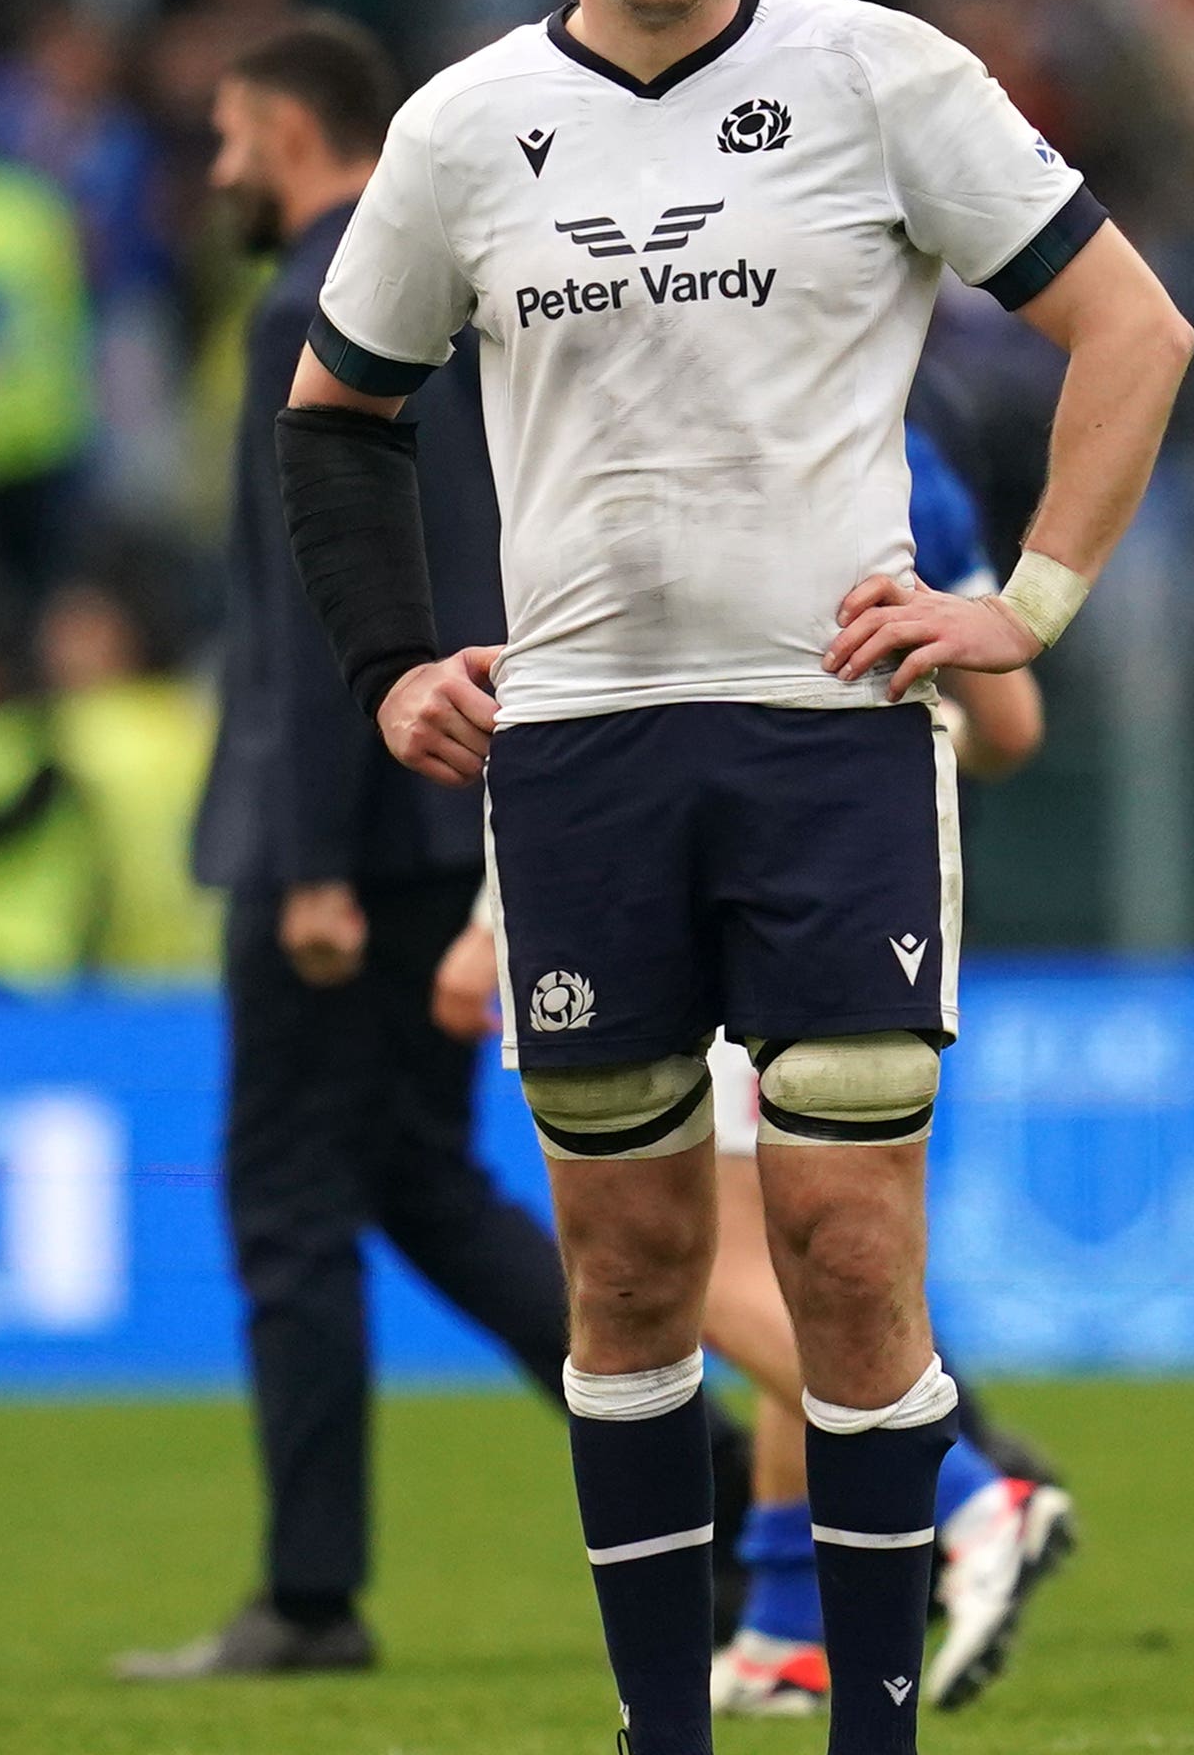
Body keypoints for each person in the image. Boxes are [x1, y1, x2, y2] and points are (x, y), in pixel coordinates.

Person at [275, 0, 1194, 1755]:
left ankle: (871, 1726)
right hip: (582, 747)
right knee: (625, 1267)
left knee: (853, 1252)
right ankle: (663, 1726)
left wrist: (1019, 606)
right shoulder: (464, 127)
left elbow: (1135, 325)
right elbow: (338, 415)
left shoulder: (881, 78)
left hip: (829, 739)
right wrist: (391, 666)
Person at [435, 421, 1074, 1722]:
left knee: (698, 1259)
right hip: (861, 864)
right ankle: (791, 1617)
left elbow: (581, 679)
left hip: (705, 860)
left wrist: (493, 918)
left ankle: (968, 1486)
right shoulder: (900, 445)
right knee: (818, 1246)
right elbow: (1007, 723)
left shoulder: (638, 417)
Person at [113, 13, 587, 1680]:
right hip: (447, 808)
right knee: (425, 1184)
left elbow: (312, 605)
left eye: (233, 135)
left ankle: (310, 1596)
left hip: (336, 828)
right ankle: (721, 1481)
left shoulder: (309, 306)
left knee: (289, 1202)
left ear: (294, 130)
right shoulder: (453, 295)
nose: (222, 168)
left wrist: (308, 854)